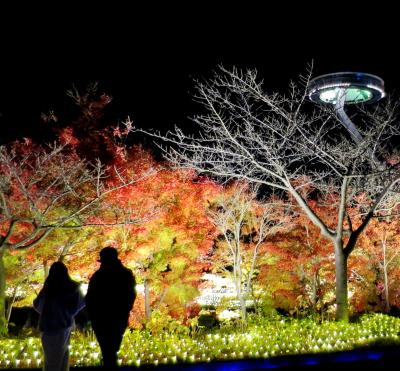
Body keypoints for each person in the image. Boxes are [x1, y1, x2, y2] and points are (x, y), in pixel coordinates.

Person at [86, 246, 136, 369]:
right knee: (112, 347)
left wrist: (91, 314)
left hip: (101, 317)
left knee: (107, 348)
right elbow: (131, 294)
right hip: (118, 315)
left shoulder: (98, 276)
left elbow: (90, 297)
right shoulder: (125, 274)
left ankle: (110, 365)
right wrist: (126, 309)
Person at [33, 261, 85, 371]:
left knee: (51, 362)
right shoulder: (72, 287)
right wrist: (67, 312)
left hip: (47, 327)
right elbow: (79, 304)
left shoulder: (48, 288)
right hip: (64, 326)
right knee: (62, 361)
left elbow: (37, 305)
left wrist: (48, 312)